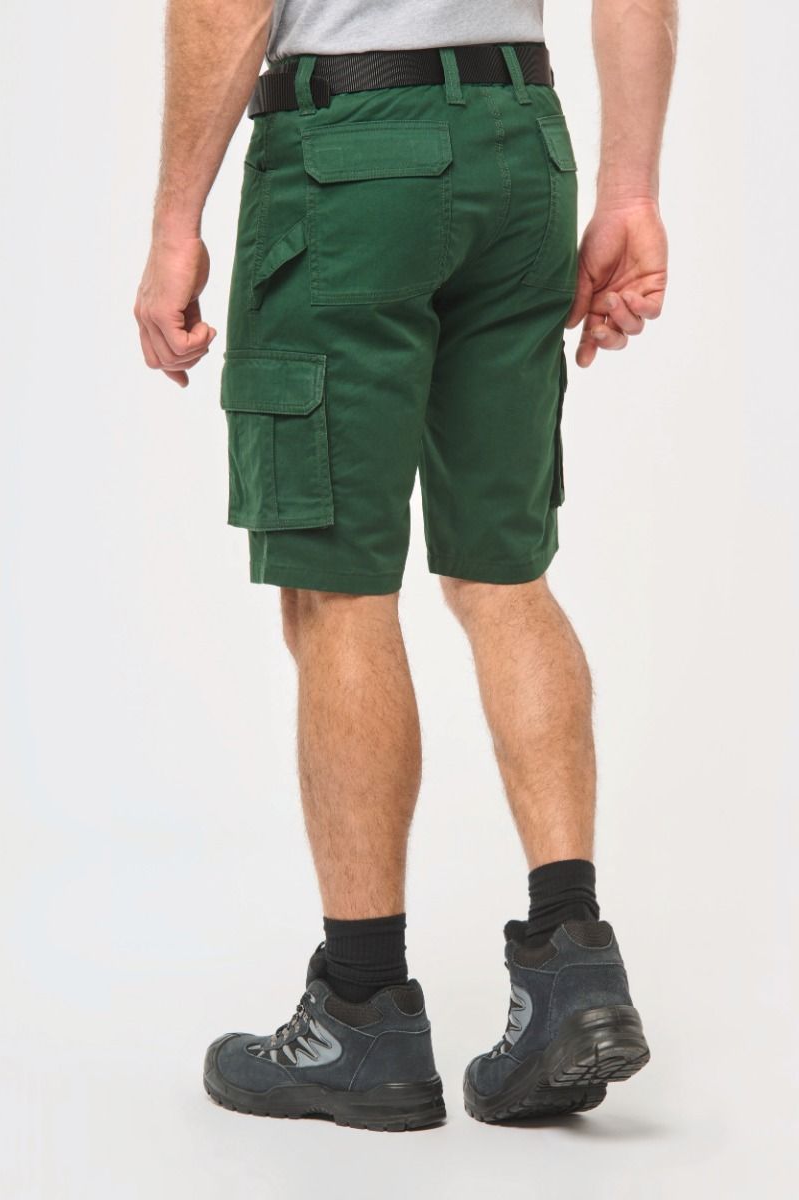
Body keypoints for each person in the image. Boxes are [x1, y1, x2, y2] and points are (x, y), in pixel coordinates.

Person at [135, 0, 676, 1131]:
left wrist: (175, 222)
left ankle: (363, 1010)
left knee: (338, 590)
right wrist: (629, 192)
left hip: (349, 161)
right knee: (503, 576)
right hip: (522, 150)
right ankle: (571, 965)